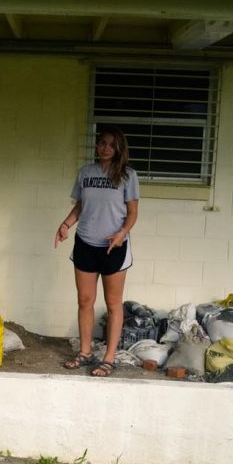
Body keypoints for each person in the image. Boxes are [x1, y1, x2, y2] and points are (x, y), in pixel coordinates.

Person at [54, 129, 139, 377]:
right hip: (85, 243)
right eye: (101, 143)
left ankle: (109, 358)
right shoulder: (85, 173)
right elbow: (80, 206)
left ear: (119, 148)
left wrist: (122, 232)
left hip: (115, 246)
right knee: (85, 301)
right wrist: (65, 225)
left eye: (111, 145)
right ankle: (85, 352)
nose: (104, 148)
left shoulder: (128, 176)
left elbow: (133, 212)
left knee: (113, 304)